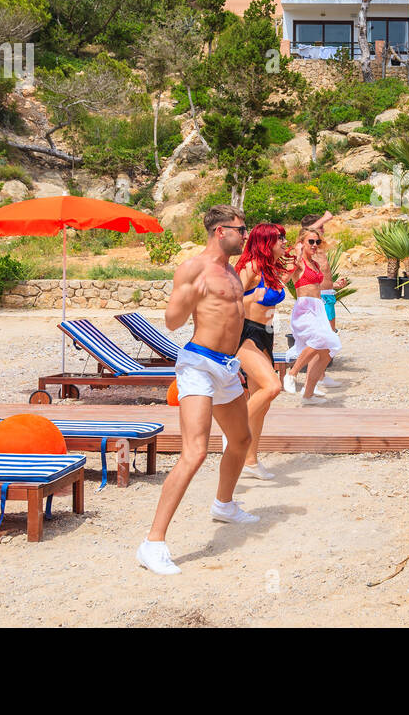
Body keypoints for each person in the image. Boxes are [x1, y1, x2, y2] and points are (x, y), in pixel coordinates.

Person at [137, 205, 257, 576]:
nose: (246, 234)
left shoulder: (233, 271)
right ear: (221, 232)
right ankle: (152, 543)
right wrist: (191, 297)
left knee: (241, 439)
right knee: (195, 451)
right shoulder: (193, 268)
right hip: (197, 366)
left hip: (225, 367)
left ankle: (223, 505)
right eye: (241, 228)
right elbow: (172, 322)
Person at [235, 223, 301, 481]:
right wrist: (251, 299)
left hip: (266, 334)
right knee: (272, 387)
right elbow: (228, 301)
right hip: (246, 334)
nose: (284, 242)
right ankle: (233, 435)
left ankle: (250, 461)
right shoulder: (250, 267)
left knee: (262, 404)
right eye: (279, 238)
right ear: (265, 241)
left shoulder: (269, 268)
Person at [284, 212, 349, 392]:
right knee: (318, 339)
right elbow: (285, 278)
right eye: (311, 240)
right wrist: (326, 217)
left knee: (327, 345)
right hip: (307, 306)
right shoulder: (299, 259)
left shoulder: (315, 259)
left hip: (321, 302)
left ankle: (310, 389)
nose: (315, 243)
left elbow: (317, 282)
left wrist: (334, 285)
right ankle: (292, 374)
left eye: (317, 240)